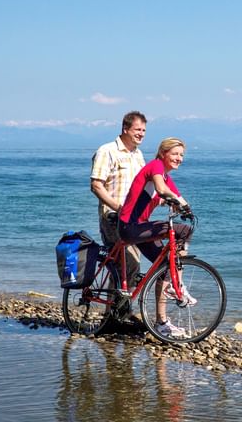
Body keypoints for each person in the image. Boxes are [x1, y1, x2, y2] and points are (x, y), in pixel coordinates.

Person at [118, 137, 195, 338]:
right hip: (130, 227)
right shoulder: (155, 167)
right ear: (163, 154)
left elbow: (175, 195)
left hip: (140, 229)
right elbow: (162, 190)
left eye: (182, 155)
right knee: (183, 231)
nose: (179, 158)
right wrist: (176, 203)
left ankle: (161, 322)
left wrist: (187, 208)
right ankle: (178, 283)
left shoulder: (166, 177)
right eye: (175, 154)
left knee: (165, 267)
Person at [90, 111, 147, 292]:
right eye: (137, 129)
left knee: (131, 266)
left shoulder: (138, 155)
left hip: (133, 219)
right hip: (113, 217)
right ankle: (114, 315)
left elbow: (145, 185)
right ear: (125, 129)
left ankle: (119, 313)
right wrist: (119, 208)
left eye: (144, 130)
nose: (141, 134)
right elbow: (96, 185)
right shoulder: (107, 151)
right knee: (126, 264)